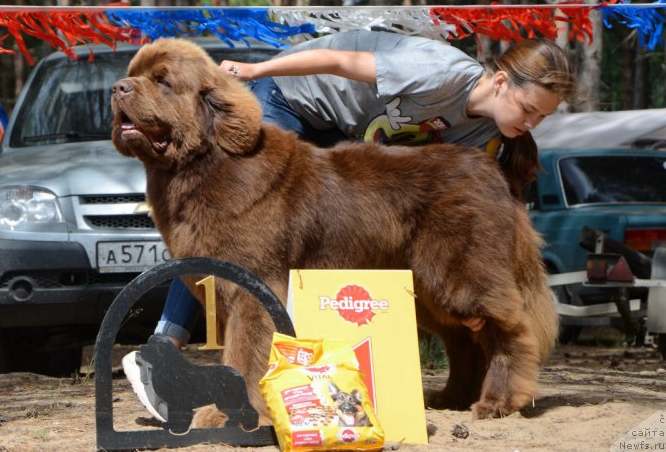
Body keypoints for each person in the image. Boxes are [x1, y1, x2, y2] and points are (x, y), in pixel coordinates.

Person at [124, 30, 575, 421]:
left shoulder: (486, 130)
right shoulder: (439, 72)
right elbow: (339, 61)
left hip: (340, 128)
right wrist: (258, 69)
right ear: (501, 81)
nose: (532, 123)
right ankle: (177, 352)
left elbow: (434, 175)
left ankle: (481, 383)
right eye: (528, 109)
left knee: (454, 295)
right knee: (235, 250)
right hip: (294, 95)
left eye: (542, 116)